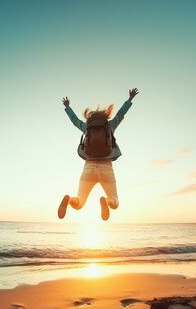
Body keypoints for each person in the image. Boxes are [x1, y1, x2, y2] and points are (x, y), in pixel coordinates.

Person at [58, 88, 139, 221]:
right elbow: (121, 114)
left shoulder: (86, 127)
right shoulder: (110, 126)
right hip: (106, 168)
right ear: (105, 116)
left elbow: (74, 120)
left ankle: (69, 200)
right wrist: (130, 99)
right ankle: (107, 202)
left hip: (88, 168)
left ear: (90, 118)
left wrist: (68, 107)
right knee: (115, 202)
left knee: (79, 202)